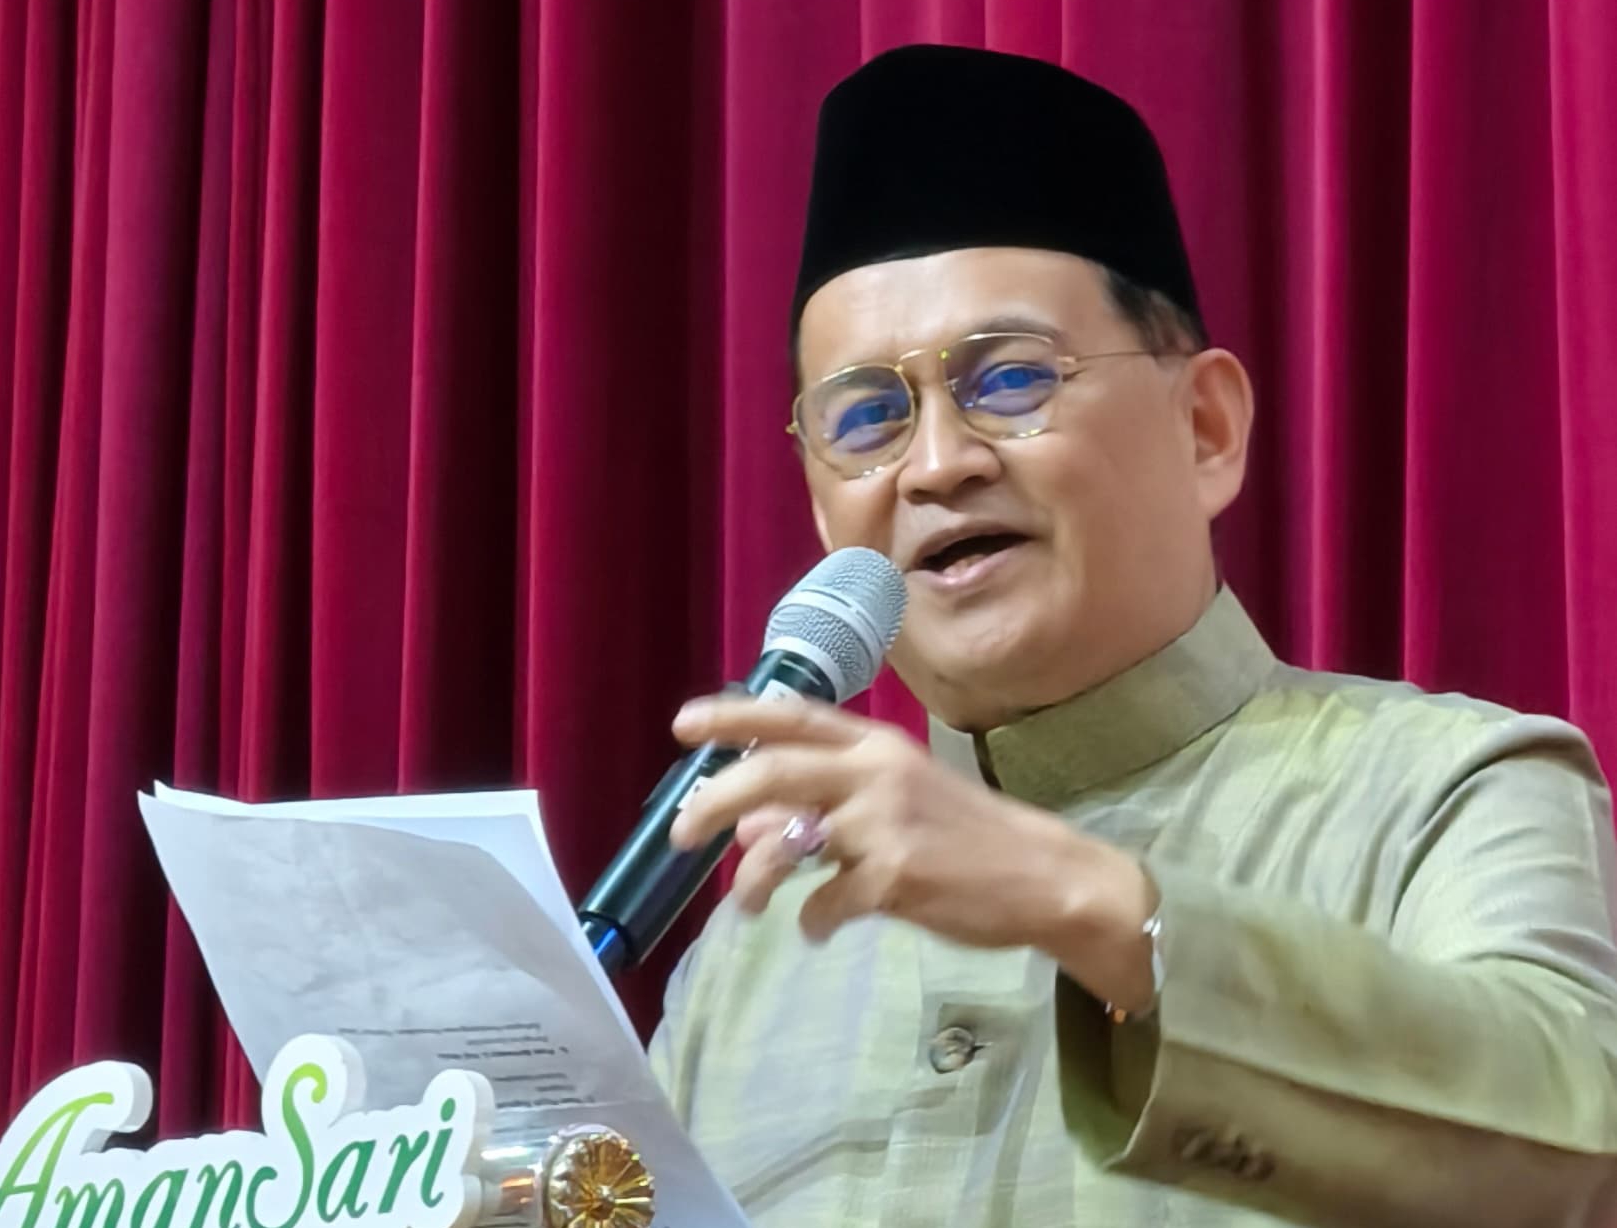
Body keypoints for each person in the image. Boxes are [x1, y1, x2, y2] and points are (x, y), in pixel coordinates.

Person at [651, 45, 1617, 1228]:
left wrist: (1091, 906)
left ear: (1205, 428)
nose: (937, 464)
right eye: (867, 418)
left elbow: (1577, 1164)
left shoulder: (1446, 792)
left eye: (1010, 380)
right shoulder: (751, 951)